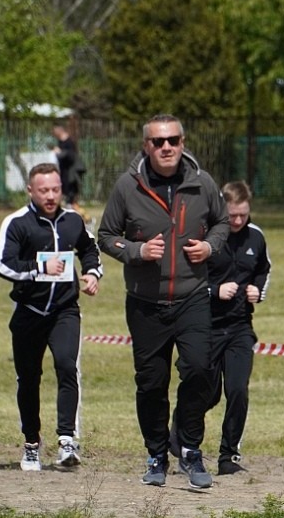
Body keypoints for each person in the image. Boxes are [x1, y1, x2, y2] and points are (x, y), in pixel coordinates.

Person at [97, 114, 229, 490]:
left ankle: (189, 448)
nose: (166, 147)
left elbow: (221, 224)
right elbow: (106, 235)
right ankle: (156, 453)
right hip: (145, 302)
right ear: (146, 146)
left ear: (183, 143)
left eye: (172, 140)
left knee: (201, 370)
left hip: (192, 297)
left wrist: (210, 246)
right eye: (158, 142)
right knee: (151, 383)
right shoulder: (128, 186)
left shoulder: (202, 183)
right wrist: (136, 250)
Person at [0, 162, 102, 471]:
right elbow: (3, 264)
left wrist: (93, 273)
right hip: (29, 312)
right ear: (30, 190)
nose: (51, 196)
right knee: (29, 379)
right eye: (44, 190)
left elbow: (89, 248)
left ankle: (68, 441)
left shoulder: (72, 221)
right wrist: (39, 269)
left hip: (65, 310)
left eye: (55, 189)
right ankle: (31, 444)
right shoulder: (16, 223)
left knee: (68, 367)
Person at [204, 180, 272, 475]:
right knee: (206, 393)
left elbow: (263, 270)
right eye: (232, 215)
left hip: (240, 327)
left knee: (238, 390)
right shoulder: (206, 235)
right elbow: (187, 279)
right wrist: (215, 290)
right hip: (206, 325)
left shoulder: (256, 237)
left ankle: (228, 456)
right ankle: (178, 439)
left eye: (243, 215)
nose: (237, 221)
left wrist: (258, 290)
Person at [52, 123, 88, 214]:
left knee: (71, 190)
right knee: (64, 190)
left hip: (71, 171)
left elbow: (71, 156)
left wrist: (61, 153)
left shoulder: (69, 142)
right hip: (63, 171)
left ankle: (72, 208)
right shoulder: (60, 141)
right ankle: (68, 206)